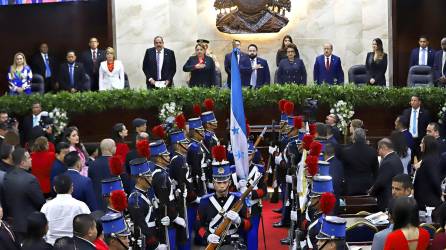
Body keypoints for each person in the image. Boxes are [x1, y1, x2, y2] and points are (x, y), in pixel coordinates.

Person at [197, 163, 250, 248]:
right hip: (212, 242)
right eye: (218, 182)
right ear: (213, 183)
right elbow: (198, 226)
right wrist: (207, 236)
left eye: (224, 182)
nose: (222, 185)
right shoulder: (205, 201)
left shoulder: (238, 199)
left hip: (233, 242)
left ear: (229, 182)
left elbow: (249, 225)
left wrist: (239, 220)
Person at [3, 147, 45, 242]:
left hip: (12, 223)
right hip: (29, 224)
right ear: (22, 163)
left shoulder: (6, 177)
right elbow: (40, 202)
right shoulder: (31, 180)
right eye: (29, 157)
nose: (31, 159)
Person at [41, 175, 90, 244]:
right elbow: (89, 226)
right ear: (72, 187)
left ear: (54, 189)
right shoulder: (81, 206)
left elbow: (42, 229)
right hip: (75, 245)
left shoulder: (46, 207)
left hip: (52, 245)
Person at [127, 158, 164, 249]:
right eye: (148, 177)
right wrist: (156, 245)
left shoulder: (146, 192)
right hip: (147, 243)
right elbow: (142, 226)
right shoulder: (135, 199)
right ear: (140, 179)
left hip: (154, 234)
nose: (151, 179)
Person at [338, 128, 378, 195]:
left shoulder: (345, 152)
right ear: (365, 137)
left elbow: (341, 169)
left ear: (353, 138)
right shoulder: (372, 151)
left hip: (350, 186)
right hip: (368, 187)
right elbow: (376, 171)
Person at [369, 138, 404, 211]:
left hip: (386, 199)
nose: (378, 152)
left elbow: (381, 182)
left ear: (384, 148)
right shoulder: (396, 158)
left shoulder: (387, 162)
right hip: (394, 197)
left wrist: (371, 193)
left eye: (378, 149)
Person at [413, 135, 442, 210]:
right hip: (426, 199)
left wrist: (440, 194)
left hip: (428, 201)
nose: (420, 145)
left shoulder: (429, 161)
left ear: (427, 145)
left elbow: (434, 180)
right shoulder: (429, 159)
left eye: (422, 143)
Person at [88, 138, 116, 211]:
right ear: (110, 148)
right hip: (113, 202)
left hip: (98, 202)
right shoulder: (116, 163)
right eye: (115, 146)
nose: (116, 148)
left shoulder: (92, 164)